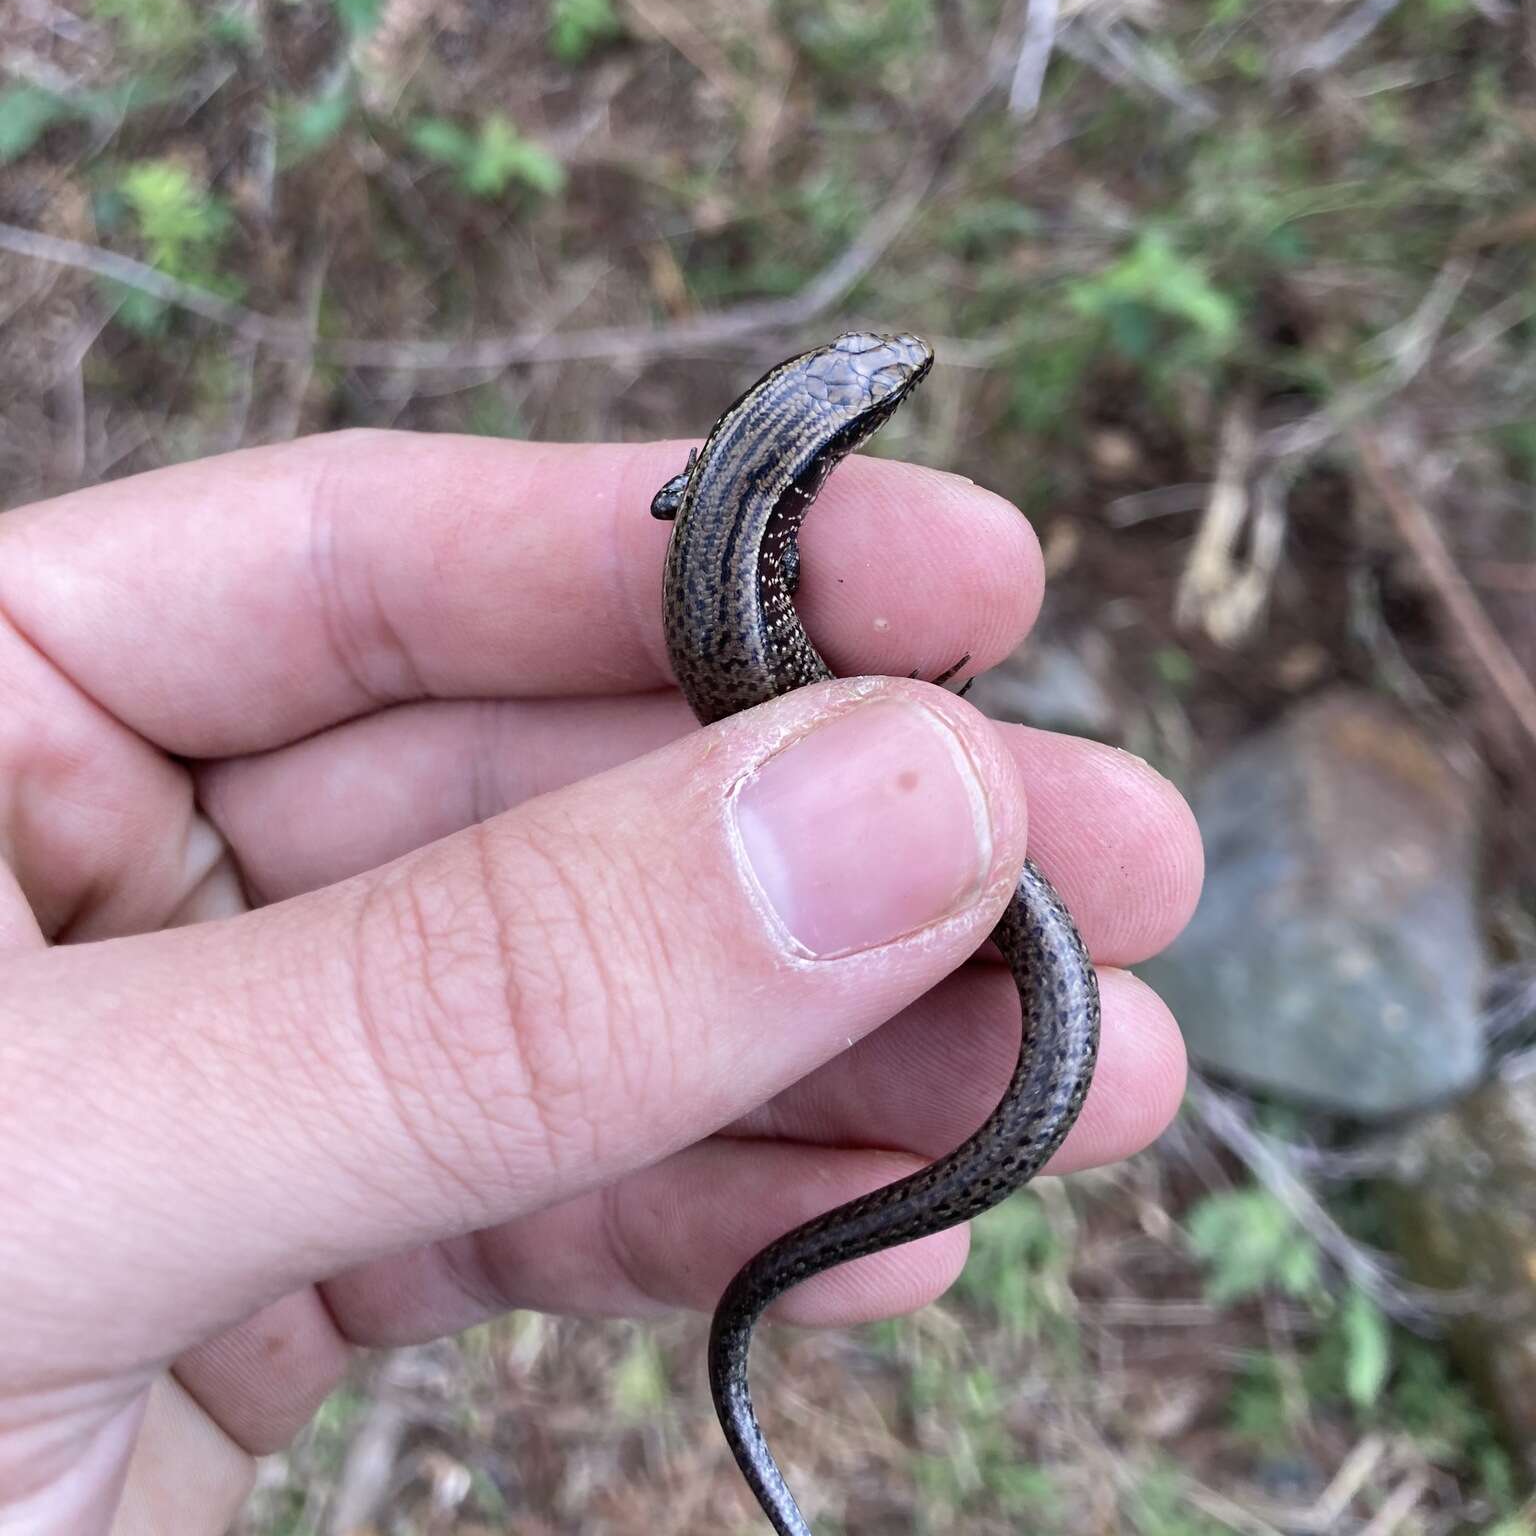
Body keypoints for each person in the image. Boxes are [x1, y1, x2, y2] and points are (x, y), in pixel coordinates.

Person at [0, 427, 1201, 1535]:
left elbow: (688, 498)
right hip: (784, 710)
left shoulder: (738, 485)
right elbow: (701, 508)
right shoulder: (760, 501)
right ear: (825, 447)